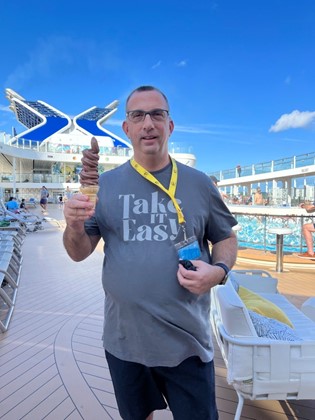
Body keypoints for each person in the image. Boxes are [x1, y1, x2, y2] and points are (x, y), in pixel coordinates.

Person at [63, 85, 238, 420]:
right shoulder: (105, 186)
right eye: (137, 115)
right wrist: (73, 227)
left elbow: (226, 238)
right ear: (126, 128)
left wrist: (218, 272)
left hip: (187, 344)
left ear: (169, 126)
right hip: (125, 341)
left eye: (157, 114)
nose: (148, 123)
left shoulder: (200, 183)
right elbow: (79, 252)